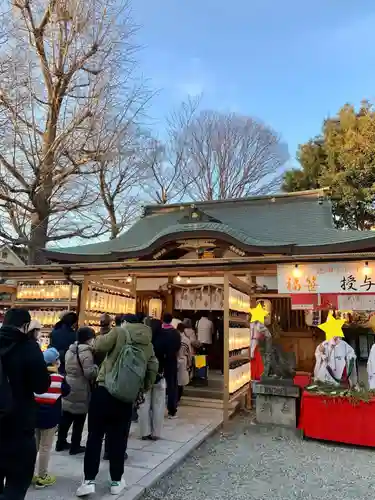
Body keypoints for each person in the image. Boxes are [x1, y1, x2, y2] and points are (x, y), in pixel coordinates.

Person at [76, 313, 158, 497]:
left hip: (104, 390)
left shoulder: (119, 332)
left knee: (95, 436)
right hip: (125, 398)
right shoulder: (148, 343)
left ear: (125, 322)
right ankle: (116, 481)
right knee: (118, 439)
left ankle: (88, 481)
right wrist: (140, 389)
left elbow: (97, 346)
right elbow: (153, 368)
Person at [0, 308, 50, 500]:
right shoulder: (28, 347)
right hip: (19, 424)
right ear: (26, 326)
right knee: (16, 484)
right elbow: (41, 386)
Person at [56, 327, 98, 455]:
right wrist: (97, 368)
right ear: (89, 339)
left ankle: (60, 442)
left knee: (67, 415)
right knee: (79, 419)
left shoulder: (71, 350)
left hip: (69, 384)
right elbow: (89, 373)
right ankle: (75, 446)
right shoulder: (86, 353)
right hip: (81, 387)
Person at [34, 348, 70, 489]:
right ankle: (42, 477)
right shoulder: (59, 378)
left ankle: (29, 474)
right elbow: (67, 391)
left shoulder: (37, 376)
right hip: (50, 419)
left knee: (35, 446)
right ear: (55, 362)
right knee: (45, 447)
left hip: (36, 416)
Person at [139, 318, 166, 440]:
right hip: (160, 374)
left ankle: (145, 432)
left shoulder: (144, 341)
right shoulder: (164, 340)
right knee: (159, 405)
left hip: (145, 375)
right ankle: (156, 432)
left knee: (144, 404)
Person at [160, 313, 181, 419]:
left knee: (157, 385)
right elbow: (178, 348)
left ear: (162, 319)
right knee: (172, 385)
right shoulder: (176, 333)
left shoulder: (158, 332)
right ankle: (172, 410)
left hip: (160, 361)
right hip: (171, 360)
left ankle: (157, 409)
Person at [176, 323, 192, 402]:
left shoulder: (174, 337)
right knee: (181, 382)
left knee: (174, 380)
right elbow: (189, 353)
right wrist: (189, 364)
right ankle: (178, 398)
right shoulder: (186, 340)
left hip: (174, 360)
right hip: (183, 361)